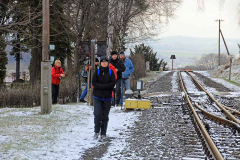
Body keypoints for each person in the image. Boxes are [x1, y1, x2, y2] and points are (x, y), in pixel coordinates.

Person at [92, 56, 116, 139]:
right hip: (97, 96)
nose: (104, 63)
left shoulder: (111, 72)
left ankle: (103, 133)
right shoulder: (97, 72)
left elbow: (113, 83)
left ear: (108, 63)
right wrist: (102, 86)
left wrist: (103, 86)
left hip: (107, 97)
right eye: (102, 62)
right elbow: (94, 82)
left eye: (105, 62)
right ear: (100, 63)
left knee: (105, 115)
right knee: (97, 114)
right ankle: (96, 131)